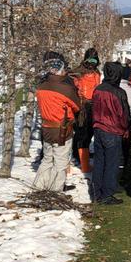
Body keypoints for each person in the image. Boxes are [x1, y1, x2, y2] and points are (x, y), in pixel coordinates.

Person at [33, 53, 81, 192]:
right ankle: (55, 190)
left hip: (46, 127)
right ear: (60, 69)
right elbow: (77, 106)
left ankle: (38, 187)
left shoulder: (41, 86)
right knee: (60, 162)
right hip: (62, 129)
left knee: (47, 159)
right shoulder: (65, 89)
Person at [91, 62, 130, 205]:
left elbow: (93, 109)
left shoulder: (98, 89)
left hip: (99, 129)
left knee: (99, 162)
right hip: (112, 131)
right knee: (111, 164)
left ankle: (97, 193)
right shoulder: (118, 92)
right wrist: (125, 128)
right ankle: (107, 194)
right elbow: (123, 114)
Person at [70, 48, 101, 169]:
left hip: (93, 105)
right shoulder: (77, 73)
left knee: (89, 131)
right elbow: (72, 89)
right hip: (81, 105)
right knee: (80, 131)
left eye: (94, 60)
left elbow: (97, 87)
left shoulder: (97, 73)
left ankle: (84, 152)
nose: (92, 63)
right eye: (90, 59)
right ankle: (79, 156)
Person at [120, 65, 131, 166]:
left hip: (111, 124)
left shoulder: (111, 87)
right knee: (125, 145)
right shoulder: (130, 90)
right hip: (126, 123)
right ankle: (125, 161)